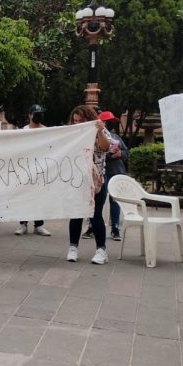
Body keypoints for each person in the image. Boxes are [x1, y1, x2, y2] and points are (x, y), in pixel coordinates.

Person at [66, 105, 111, 264]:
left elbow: (106, 147)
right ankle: (73, 248)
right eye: (75, 120)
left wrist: (99, 130)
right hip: (78, 179)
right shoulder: (72, 133)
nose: (77, 123)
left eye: (81, 120)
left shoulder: (100, 130)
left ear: (89, 119)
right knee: (76, 213)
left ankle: (101, 250)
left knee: (95, 214)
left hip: (97, 180)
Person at [15, 104, 52, 237]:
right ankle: (22, 224)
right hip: (25, 169)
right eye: (36, 113)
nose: (38, 116)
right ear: (30, 115)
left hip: (41, 169)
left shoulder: (46, 131)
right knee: (24, 197)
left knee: (39, 197)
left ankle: (39, 225)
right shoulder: (22, 131)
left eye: (40, 113)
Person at [98, 111, 129, 241]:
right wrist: (111, 156)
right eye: (109, 121)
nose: (112, 124)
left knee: (115, 200)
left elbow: (127, 153)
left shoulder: (116, 137)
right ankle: (92, 226)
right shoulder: (97, 137)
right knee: (98, 201)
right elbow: (98, 154)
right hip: (103, 173)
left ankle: (115, 227)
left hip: (117, 173)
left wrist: (120, 153)